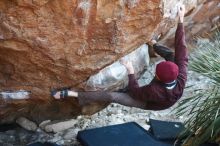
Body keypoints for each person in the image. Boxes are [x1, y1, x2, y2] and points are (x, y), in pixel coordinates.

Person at [52, 4, 188, 110]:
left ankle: (72, 94)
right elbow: (181, 47)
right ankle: (154, 44)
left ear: (157, 78)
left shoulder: (154, 90)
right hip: (164, 89)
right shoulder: (181, 72)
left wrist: (130, 71)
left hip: (149, 102)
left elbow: (135, 93)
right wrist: (181, 19)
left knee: (113, 96)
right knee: (172, 55)